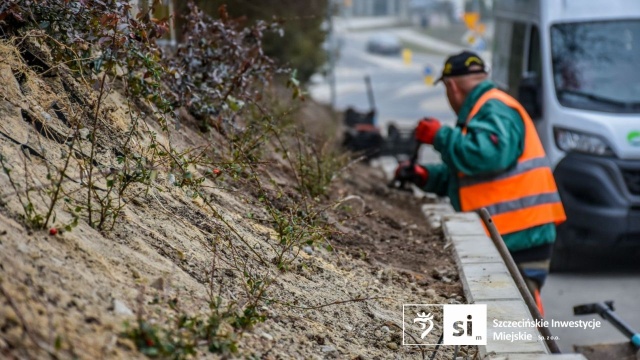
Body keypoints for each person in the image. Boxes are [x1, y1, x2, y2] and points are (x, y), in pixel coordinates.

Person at [395, 51, 566, 315]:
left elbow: (487, 156)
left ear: (451, 86)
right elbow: (474, 178)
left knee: (518, 314)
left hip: (520, 234)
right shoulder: (486, 109)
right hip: (516, 232)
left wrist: (440, 136)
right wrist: (425, 176)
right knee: (514, 311)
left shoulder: (493, 107)